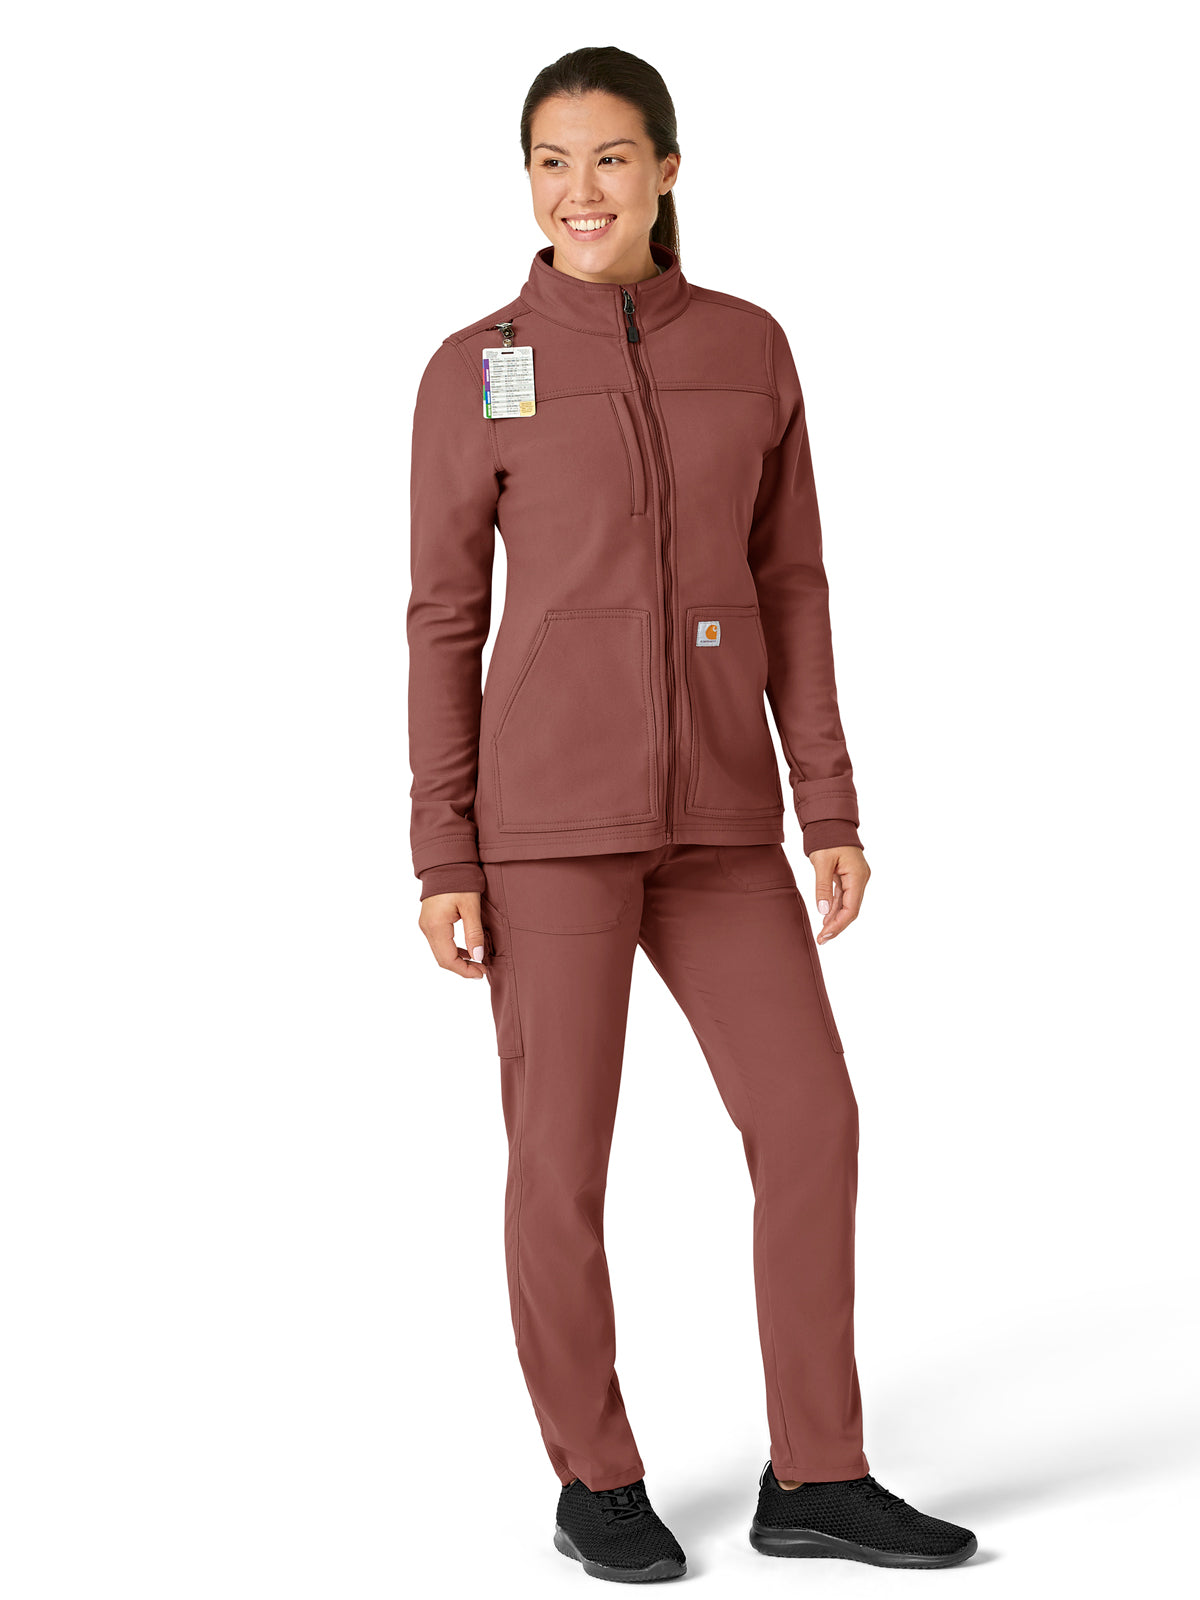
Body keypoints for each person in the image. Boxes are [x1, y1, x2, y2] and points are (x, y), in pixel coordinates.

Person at [407, 45, 978, 1581]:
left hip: (722, 823)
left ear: (667, 168)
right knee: (559, 1166)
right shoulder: (479, 366)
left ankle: (819, 1474)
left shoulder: (749, 345)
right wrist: (442, 845)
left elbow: (792, 586)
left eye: (608, 158)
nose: (578, 190)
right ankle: (595, 1480)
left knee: (811, 1122)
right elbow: (444, 618)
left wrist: (826, 801)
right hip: (546, 830)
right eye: (550, 161)